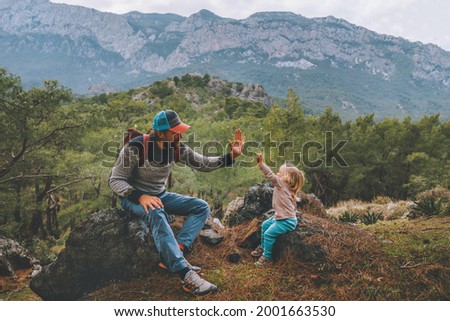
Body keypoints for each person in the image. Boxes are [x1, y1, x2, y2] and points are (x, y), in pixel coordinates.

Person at [109, 110, 245, 296]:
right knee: (156, 211)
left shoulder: (176, 147)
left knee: (201, 207)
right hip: (132, 199)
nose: (180, 135)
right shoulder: (137, 147)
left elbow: (203, 163)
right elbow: (115, 180)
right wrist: (141, 196)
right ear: (160, 132)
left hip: (160, 195)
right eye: (175, 131)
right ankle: (185, 275)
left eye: (180, 131)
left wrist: (231, 156)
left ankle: (177, 251)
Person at [251, 153, 305, 266]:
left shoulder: (281, 184)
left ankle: (267, 257)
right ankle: (263, 246)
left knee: (269, 234)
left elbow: (270, 175)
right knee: (265, 225)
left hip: (286, 221)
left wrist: (261, 165)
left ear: (286, 177)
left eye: (280, 173)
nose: (277, 174)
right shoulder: (288, 188)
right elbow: (292, 206)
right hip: (281, 218)